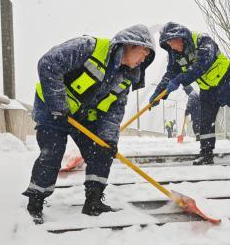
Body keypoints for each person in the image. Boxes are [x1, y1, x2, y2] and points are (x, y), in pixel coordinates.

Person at [23, 25, 155, 223]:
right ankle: (36, 200)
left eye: (146, 57)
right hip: (52, 109)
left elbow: (114, 111)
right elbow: (48, 63)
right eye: (143, 53)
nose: (143, 60)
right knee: (52, 153)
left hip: (83, 116)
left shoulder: (126, 77)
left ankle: (93, 200)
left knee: (102, 150)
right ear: (130, 44)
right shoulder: (89, 47)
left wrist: (109, 139)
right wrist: (58, 104)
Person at [149, 22, 230, 165]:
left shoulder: (202, 40)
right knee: (205, 121)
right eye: (168, 43)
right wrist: (158, 94)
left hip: (227, 82)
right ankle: (206, 154)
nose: (171, 46)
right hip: (208, 90)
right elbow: (170, 74)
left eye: (172, 42)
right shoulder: (174, 55)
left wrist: (179, 80)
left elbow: (202, 65)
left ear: (181, 37)